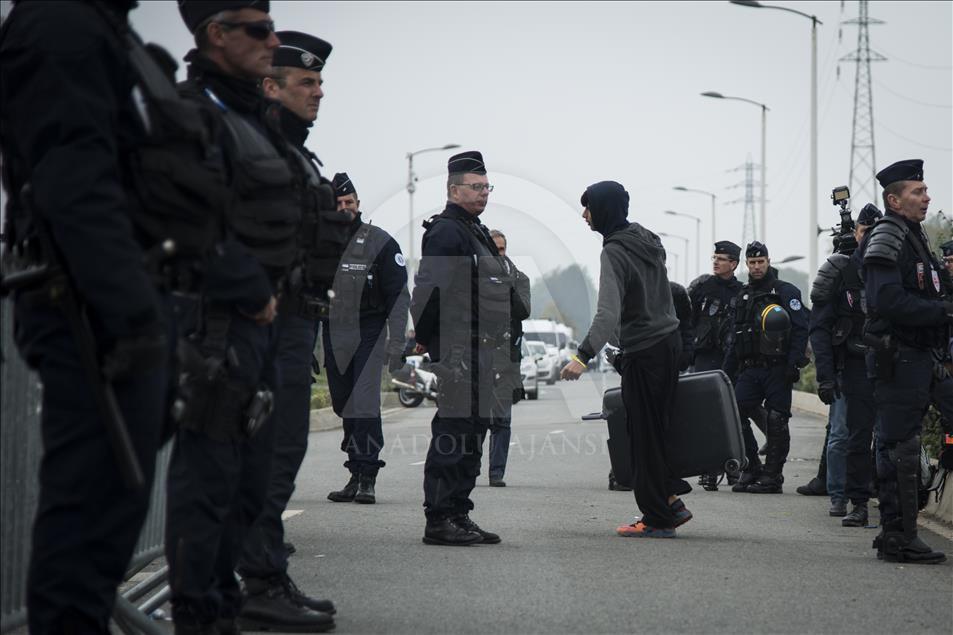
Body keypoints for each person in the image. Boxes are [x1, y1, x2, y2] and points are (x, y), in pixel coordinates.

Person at [0, 1, 244, 631]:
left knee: (112, 517)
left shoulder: (104, 27)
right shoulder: (62, 25)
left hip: (125, 304)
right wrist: (132, 314)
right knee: (87, 523)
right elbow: (74, 183)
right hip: (93, 313)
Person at [169, 3, 333, 632]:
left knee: (260, 470)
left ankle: (244, 590)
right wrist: (252, 287)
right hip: (230, 326)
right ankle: (231, 595)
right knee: (217, 480)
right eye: (306, 82)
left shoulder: (266, 136)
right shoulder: (205, 115)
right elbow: (199, 220)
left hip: (276, 325)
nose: (317, 93)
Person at [236, 29, 340, 625]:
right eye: (307, 82)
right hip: (265, 322)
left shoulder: (296, 150)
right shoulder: (258, 143)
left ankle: (268, 574)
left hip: (296, 321)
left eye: (321, 82)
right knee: (264, 458)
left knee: (282, 455)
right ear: (271, 87)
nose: (319, 92)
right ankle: (256, 582)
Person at [561, 181, 690, 538]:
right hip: (668, 343)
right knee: (656, 431)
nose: (584, 216)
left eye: (588, 208)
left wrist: (582, 356)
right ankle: (669, 503)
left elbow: (607, 313)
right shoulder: (646, 239)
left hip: (645, 351)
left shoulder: (615, 252)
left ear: (603, 210)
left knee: (642, 437)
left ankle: (658, 519)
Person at [411, 150, 514, 545]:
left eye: (486, 186)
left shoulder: (477, 230)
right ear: (453, 189)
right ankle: (438, 519)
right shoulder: (446, 232)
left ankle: (458, 511)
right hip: (457, 347)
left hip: (483, 347)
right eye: (475, 187)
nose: (483, 193)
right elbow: (429, 290)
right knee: (454, 433)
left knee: (475, 432)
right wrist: (424, 336)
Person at [860, 159, 949, 564]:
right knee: (901, 448)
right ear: (894, 200)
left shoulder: (914, 236)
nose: (926, 197)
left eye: (926, 190)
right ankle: (900, 537)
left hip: (918, 356)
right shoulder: (889, 234)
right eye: (917, 191)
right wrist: (943, 312)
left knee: (902, 443)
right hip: (899, 357)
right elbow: (886, 300)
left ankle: (897, 534)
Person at [324, 171, 410, 504]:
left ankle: (367, 475)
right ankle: (354, 470)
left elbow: (398, 298)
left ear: (358, 204)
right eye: (338, 203)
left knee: (364, 401)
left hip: (370, 331)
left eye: (349, 202)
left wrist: (397, 343)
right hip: (333, 329)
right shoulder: (321, 242)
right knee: (343, 403)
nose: (344, 207)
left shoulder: (380, 242)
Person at [810, 203, 882, 524]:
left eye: (875, 231)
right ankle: (847, 499)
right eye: (865, 231)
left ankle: (887, 501)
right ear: (856, 233)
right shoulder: (840, 271)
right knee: (845, 435)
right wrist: (825, 376)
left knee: (889, 439)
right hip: (849, 367)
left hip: (887, 367)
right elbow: (820, 328)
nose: (870, 237)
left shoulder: (893, 270)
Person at [723, 241, 809, 494]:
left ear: (768, 262)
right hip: (749, 369)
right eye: (752, 263)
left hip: (777, 368)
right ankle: (752, 467)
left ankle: (773, 476)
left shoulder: (785, 291)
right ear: (747, 265)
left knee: (776, 420)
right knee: (736, 413)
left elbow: (801, 328)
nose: (757, 266)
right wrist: (725, 373)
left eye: (761, 262)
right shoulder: (743, 295)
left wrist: (793, 364)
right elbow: (734, 337)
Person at [483, 229, 531, 487]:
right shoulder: (474, 277)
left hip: (507, 358)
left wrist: (506, 284)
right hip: (478, 354)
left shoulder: (519, 278)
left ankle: (496, 472)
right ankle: (468, 469)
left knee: (502, 419)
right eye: (493, 249)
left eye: (501, 249)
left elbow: (524, 311)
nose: (497, 253)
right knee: (475, 419)